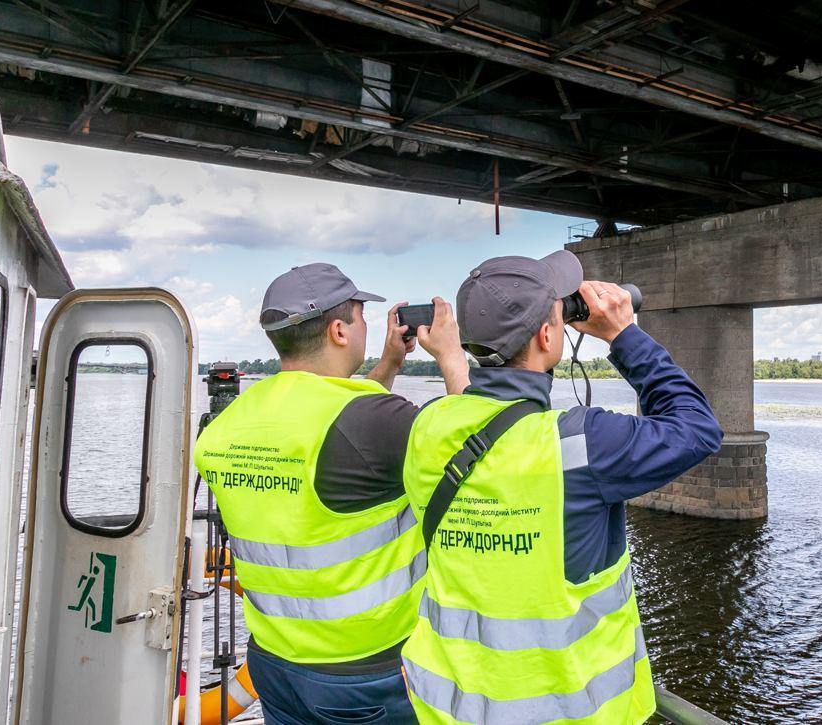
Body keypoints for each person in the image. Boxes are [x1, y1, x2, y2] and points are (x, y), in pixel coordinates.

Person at [399, 250, 724, 724]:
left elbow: (475, 413)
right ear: (548, 336)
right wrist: (623, 334)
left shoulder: (427, 426)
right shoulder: (581, 442)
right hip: (569, 711)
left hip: (450, 706)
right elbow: (697, 428)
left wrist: (452, 356)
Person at [193, 263, 469, 724]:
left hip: (274, 663)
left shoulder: (224, 427)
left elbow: (342, 426)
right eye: (360, 318)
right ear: (339, 331)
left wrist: (389, 365)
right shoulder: (375, 421)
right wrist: (452, 357)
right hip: (367, 671)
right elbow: (480, 453)